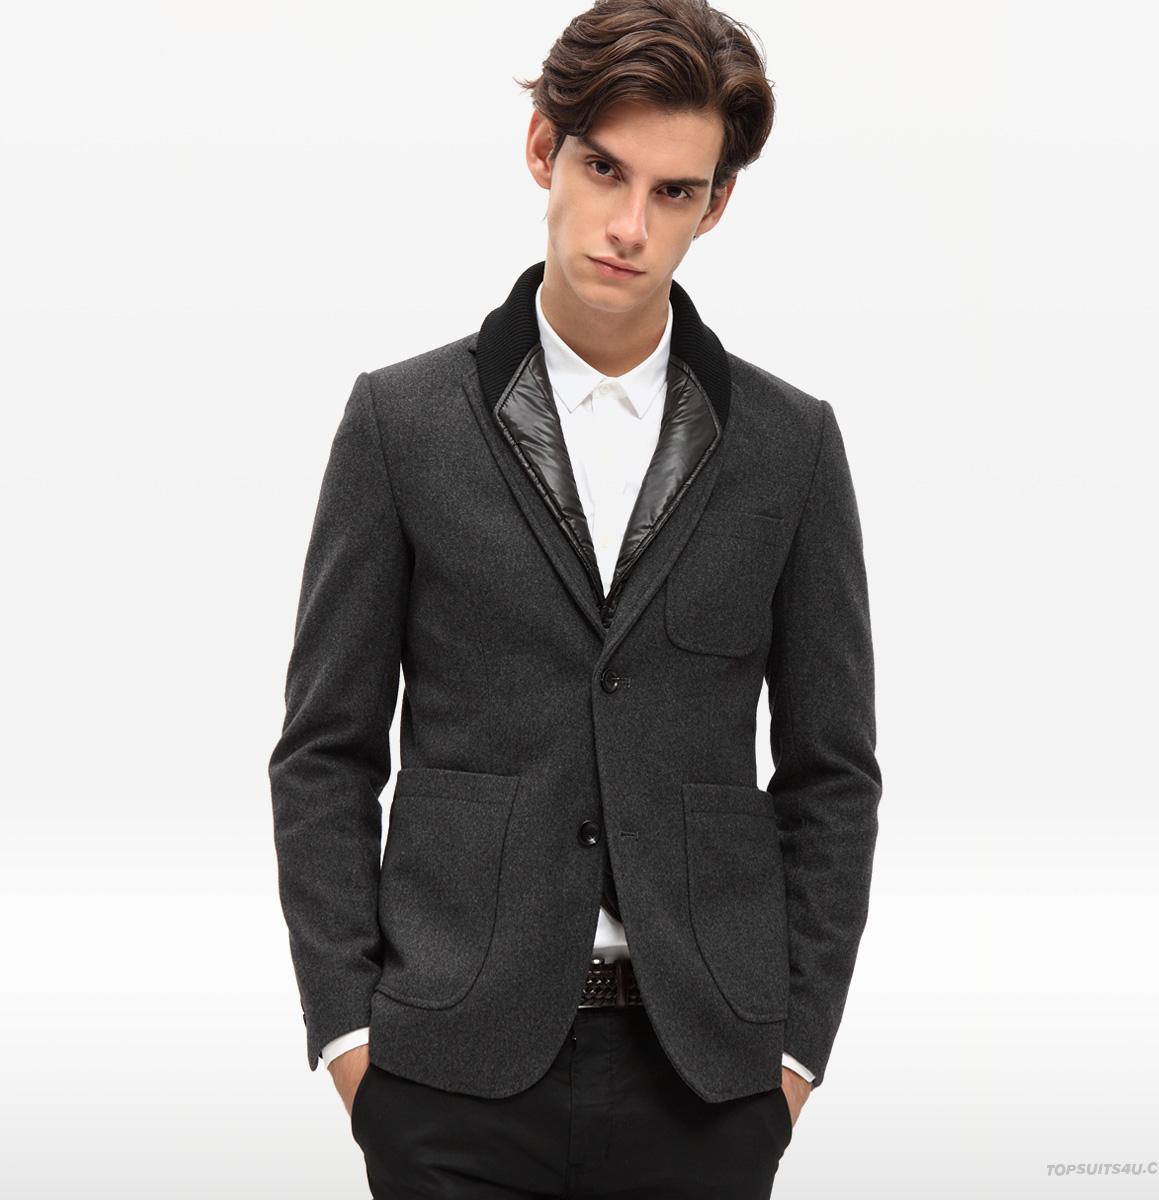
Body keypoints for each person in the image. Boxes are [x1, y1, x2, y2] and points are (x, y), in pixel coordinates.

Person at [268, 1, 882, 1195]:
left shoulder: (790, 448)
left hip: (706, 1082)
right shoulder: (401, 424)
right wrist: (349, 1041)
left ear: (716, 205)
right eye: (605, 169)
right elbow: (324, 753)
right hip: (448, 1074)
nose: (629, 225)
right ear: (544, 149)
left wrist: (793, 1057)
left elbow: (832, 775)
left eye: (674, 191)